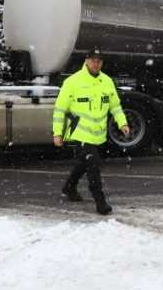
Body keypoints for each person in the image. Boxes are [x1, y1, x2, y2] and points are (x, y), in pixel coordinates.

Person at [53, 47, 130, 215]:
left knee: (84, 163)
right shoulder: (73, 82)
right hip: (79, 133)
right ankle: (100, 202)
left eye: (99, 61)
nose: (96, 64)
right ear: (86, 61)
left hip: (98, 135)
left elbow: (115, 107)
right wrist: (57, 133)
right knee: (93, 165)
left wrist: (122, 123)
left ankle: (69, 187)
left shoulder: (107, 81)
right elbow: (60, 109)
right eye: (93, 60)